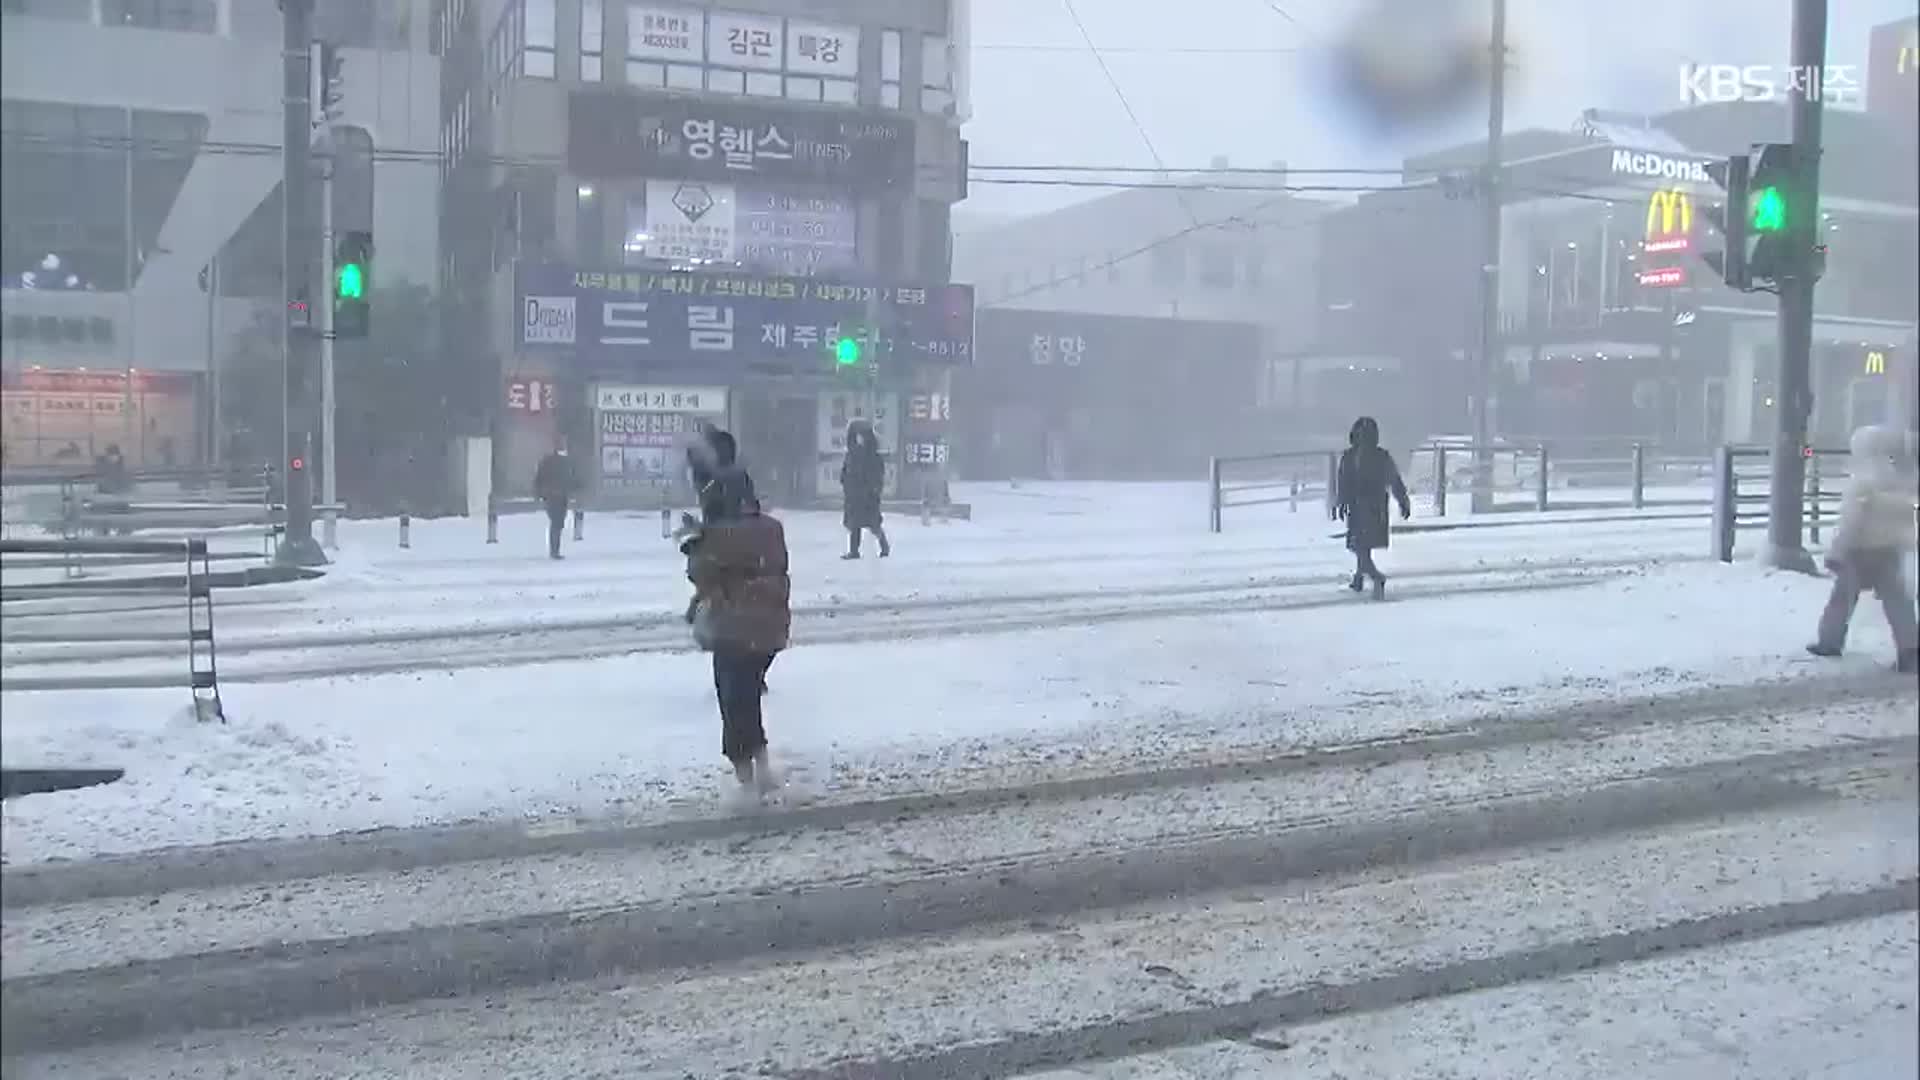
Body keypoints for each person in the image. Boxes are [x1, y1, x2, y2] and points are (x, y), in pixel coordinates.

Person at [681, 429, 791, 808]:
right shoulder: (771, 528)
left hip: (732, 628)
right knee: (748, 696)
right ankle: (762, 767)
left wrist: (693, 543)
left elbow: (699, 573)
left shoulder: (715, 534)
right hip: (770, 630)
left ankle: (747, 779)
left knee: (733, 702)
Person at [1806, 425, 1918, 673]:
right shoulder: (1898, 479)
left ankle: (1830, 641)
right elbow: (1907, 517)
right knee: (1898, 603)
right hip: (1890, 552)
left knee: (1841, 600)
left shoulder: (1861, 482)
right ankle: (1910, 650)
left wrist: (1836, 552)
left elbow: (1851, 521)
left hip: (1859, 551)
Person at [1335, 415, 1411, 600]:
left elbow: (1394, 480)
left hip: (1371, 506)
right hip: (1361, 505)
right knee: (1360, 545)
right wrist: (1341, 502)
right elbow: (1344, 482)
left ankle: (1376, 577)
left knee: (1360, 545)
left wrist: (1403, 501)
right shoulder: (1354, 457)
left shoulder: (1375, 457)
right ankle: (1359, 577)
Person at [839, 419, 890, 560]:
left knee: (874, 524)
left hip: (868, 495)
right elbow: (845, 473)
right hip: (854, 495)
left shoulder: (873, 456)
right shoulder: (851, 454)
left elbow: (878, 475)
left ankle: (884, 546)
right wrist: (845, 484)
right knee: (854, 524)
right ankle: (854, 550)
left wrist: (874, 489)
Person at [533, 438, 578, 560]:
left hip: (552, 495)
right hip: (558, 495)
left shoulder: (548, 461)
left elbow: (539, 478)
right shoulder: (564, 462)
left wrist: (539, 494)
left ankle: (554, 550)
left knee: (556, 523)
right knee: (557, 523)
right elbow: (570, 478)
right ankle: (554, 550)